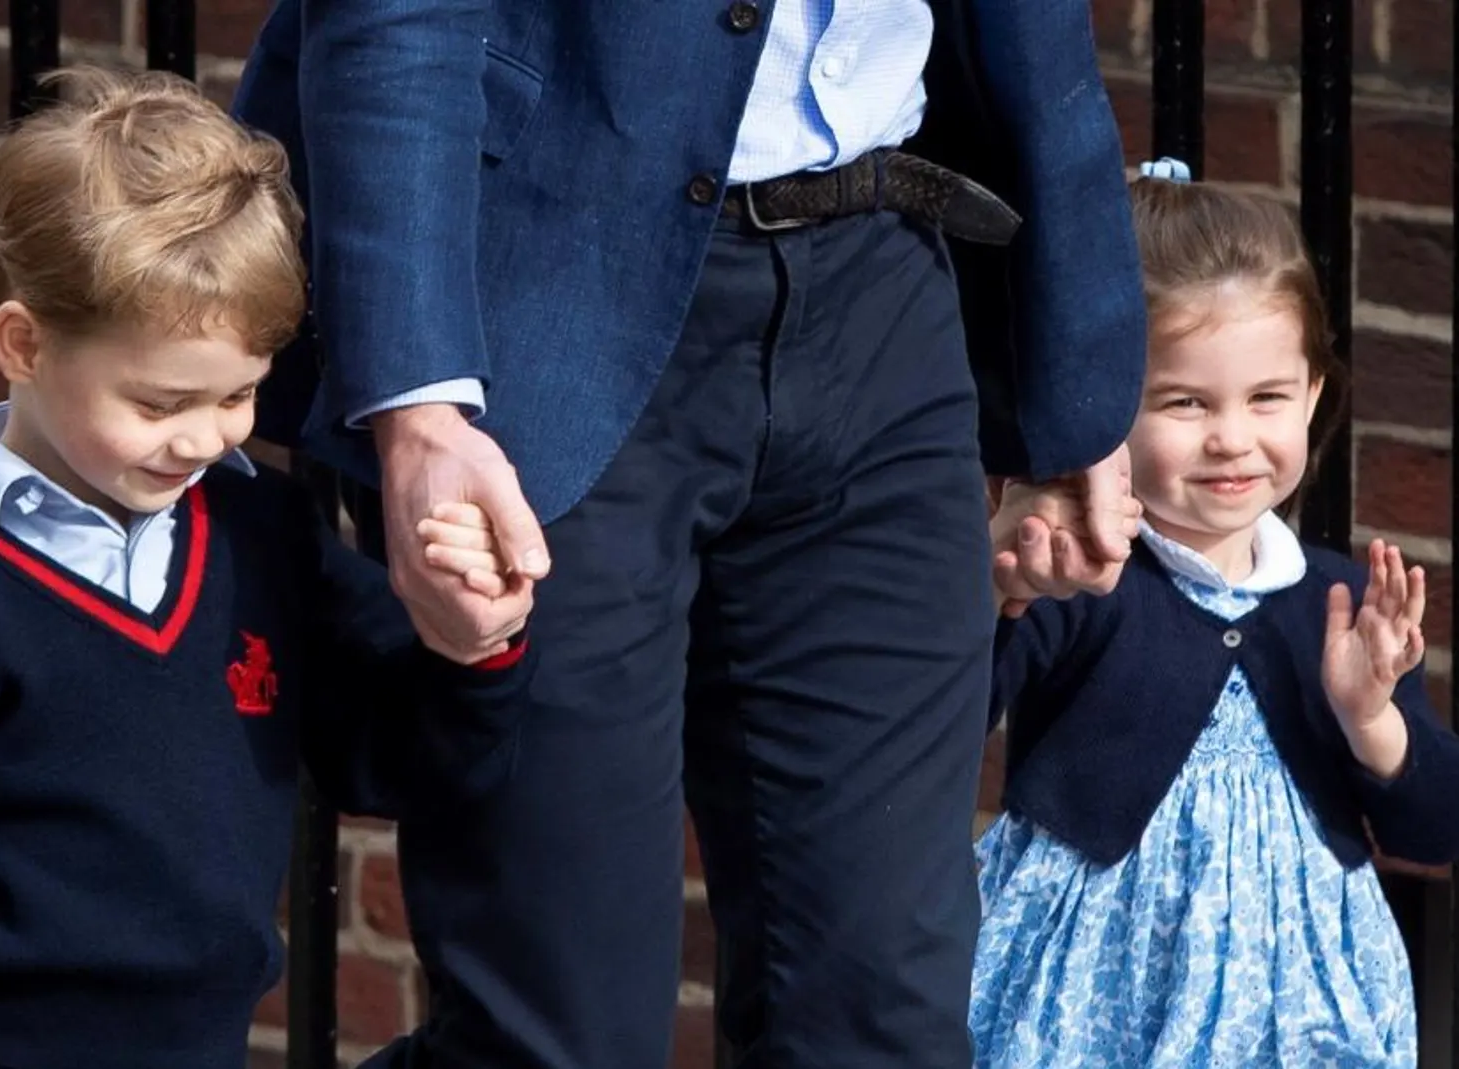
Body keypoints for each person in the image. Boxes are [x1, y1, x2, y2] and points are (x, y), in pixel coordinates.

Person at [231, 1, 1148, 1065]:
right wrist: (419, 409)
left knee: (880, 1020)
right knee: (561, 1030)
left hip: (887, 292)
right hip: (541, 302)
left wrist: (1062, 366)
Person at [0, 66, 534, 1069]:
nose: (204, 438)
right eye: (161, 404)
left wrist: (475, 645)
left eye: (240, 395)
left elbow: (397, 760)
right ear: (23, 343)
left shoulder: (266, 534)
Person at [969, 162, 1459, 1068]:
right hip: (1095, 990)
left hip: (1298, 1005)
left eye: (1268, 398)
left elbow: (1442, 827)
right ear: (1108, 402)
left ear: (1314, 395)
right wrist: (1002, 590)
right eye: (1185, 402)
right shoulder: (1088, 578)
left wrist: (1372, 717)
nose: (1233, 438)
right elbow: (944, 718)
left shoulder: (1339, 603)